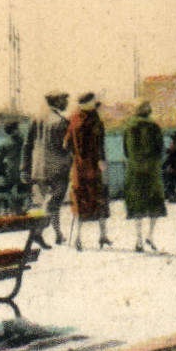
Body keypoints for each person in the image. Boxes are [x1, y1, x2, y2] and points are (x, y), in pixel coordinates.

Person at [21, 91, 72, 245]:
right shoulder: (61, 121)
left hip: (39, 168)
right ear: (56, 101)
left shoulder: (36, 118)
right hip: (58, 168)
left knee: (49, 201)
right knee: (52, 202)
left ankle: (58, 234)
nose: (67, 103)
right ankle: (37, 232)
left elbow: (27, 144)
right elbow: (67, 147)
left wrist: (24, 168)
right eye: (64, 99)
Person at [64, 92, 111, 250]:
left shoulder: (73, 119)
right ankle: (103, 235)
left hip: (78, 168)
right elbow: (100, 144)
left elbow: (66, 144)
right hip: (94, 167)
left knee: (80, 201)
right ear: (90, 104)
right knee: (100, 198)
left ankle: (78, 238)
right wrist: (102, 161)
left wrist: (76, 156)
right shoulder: (95, 120)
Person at [122, 102, 166, 252]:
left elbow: (126, 151)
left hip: (134, 170)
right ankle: (150, 235)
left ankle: (139, 239)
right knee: (155, 203)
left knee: (137, 204)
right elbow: (161, 150)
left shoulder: (128, 127)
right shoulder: (155, 126)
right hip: (152, 170)